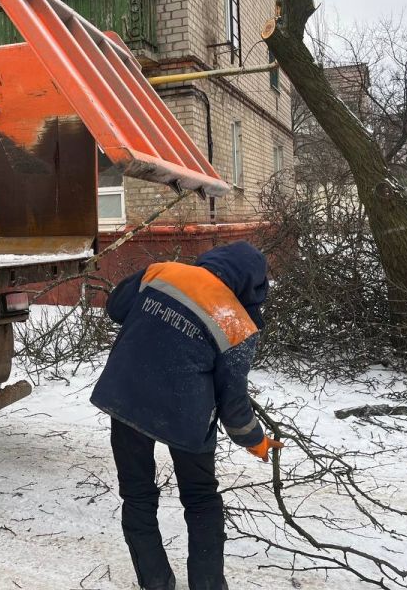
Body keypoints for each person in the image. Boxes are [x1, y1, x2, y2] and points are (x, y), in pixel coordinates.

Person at [90, 241, 283, 590]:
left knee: (137, 495)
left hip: (126, 397)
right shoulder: (236, 322)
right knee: (201, 498)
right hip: (187, 414)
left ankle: (156, 583)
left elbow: (116, 307)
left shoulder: (163, 271)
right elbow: (233, 403)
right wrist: (255, 441)